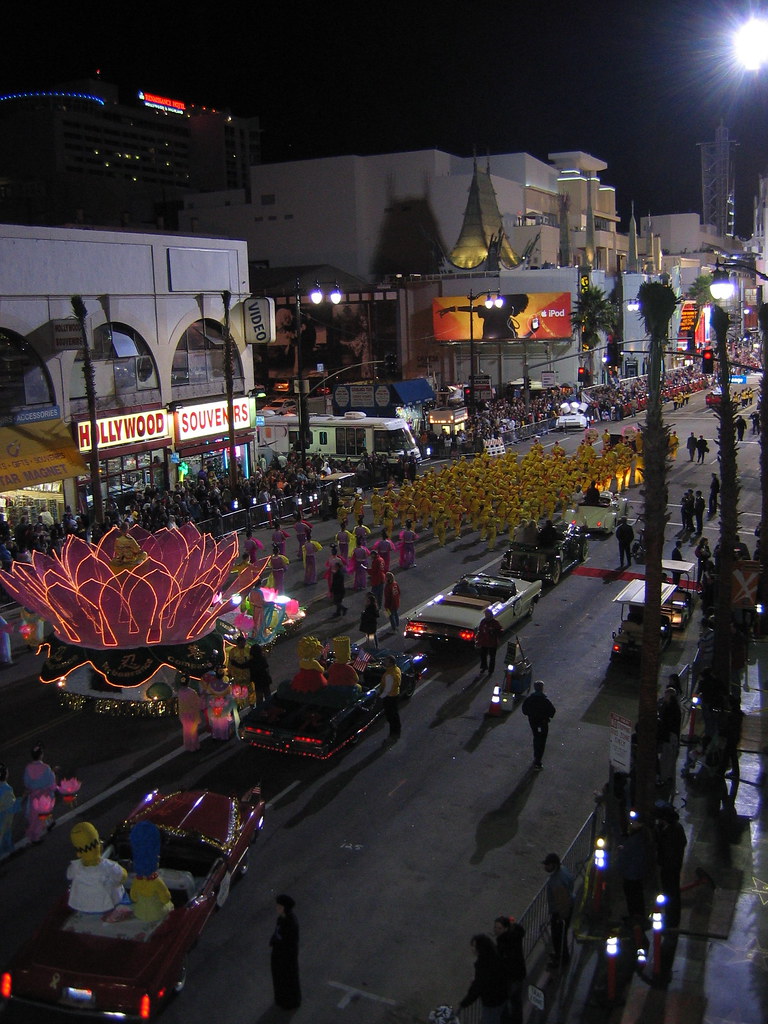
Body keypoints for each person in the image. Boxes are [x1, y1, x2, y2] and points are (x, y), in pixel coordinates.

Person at [458, 933, 508, 1024]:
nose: (471, 948)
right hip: (502, 996)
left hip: (492, 1001)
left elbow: (478, 987)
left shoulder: (483, 965)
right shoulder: (495, 956)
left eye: (473, 946)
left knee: (490, 1020)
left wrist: (464, 1003)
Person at [654, 803, 687, 928]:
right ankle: (670, 917)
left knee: (671, 892)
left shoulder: (673, 832)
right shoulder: (672, 828)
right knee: (671, 892)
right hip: (670, 866)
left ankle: (672, 921)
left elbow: (669, 850)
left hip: (671, 867)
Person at [543, 853, 574, 969]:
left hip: (560, 913)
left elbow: (561, 902)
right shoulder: (564, 871)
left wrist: (561, 917)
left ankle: (561, 959)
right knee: (561, 936)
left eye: (548, 865)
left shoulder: (556, 881)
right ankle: (561, 956)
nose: (545, 867)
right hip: (567, 906)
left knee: (558, 937)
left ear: (554, 865)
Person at [270, 893, 301, 1009]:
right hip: (279, 953)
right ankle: (281, 998)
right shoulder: (281, 919)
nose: (277, 908)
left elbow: (290, 942)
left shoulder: (291, 923)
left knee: (288, 978)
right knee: (279, 977)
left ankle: (290, 1001)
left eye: (279, 906)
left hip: (286, 956)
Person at [494, 915, 526, 1024]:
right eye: (496, 928)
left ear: (506, 929)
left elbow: (506, 962)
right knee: (516, 1003)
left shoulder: (505, 942)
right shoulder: (515, 936)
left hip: (511, 978)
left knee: (504, 1004)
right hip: (518, 975)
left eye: (499, 928)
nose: (496, 930)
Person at [23, 745, 56, 843]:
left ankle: (48, 823)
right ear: (41, 755)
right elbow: (51, 782)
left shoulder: (28, 768)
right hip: (44, 795)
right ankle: (35, 837)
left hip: (34, 796)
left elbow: (27, 782)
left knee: (35, 815)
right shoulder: (45, 768)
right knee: (42, 814)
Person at [521, 681, 556, 770]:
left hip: (533, 722)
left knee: (536, 737)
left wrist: (531, 715)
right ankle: (538, 760)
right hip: (543, 723)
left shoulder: (530, 699)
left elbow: (524, 710)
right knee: (542, 741)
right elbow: (552, 712)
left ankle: (536, 757)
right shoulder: (545, 700)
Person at [657, 686, 681, 788]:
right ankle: (668, 778)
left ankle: (664, 779)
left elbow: (667, 723)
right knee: (668, 759)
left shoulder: (671, 708)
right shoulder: (673, 707)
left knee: (666, 759)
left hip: (669, 736)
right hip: (671, 736)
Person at [176, 677, 204, 751]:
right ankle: (195, 746)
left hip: (183, 714)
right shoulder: (192, 692)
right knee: (193, 731)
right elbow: (197, 703)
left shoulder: (179, 692)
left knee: (186, 730)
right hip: (192, 714)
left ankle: (188, 746)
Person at [379, 655, 402, 739]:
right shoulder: (396, 670)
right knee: (395, 713)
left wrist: (380, 697)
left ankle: (394, 732)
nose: (385, 662)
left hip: (390, 697)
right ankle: (397, 729)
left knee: (390, 715)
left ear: (391, 663)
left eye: (386, 661)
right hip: (395, 694)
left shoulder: (389, 675)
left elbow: (387, 689)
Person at [0, 764, 20, 859]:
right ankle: (11, 850)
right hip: (4, 817)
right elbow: (12, 806)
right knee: (6, 834)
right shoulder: (7, 789)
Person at [476, 608, 503, 674]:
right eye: (485, 614)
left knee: (492, 657)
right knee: (483, 655)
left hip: (492, 643)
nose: (486, 616)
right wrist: (478, 640)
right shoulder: (483, 622)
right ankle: (484, 667)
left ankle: (491, 670)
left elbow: (500, 631)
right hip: (484, 642)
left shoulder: (495, 623)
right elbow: (480, 631)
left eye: (487, 614)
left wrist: (493, 631)